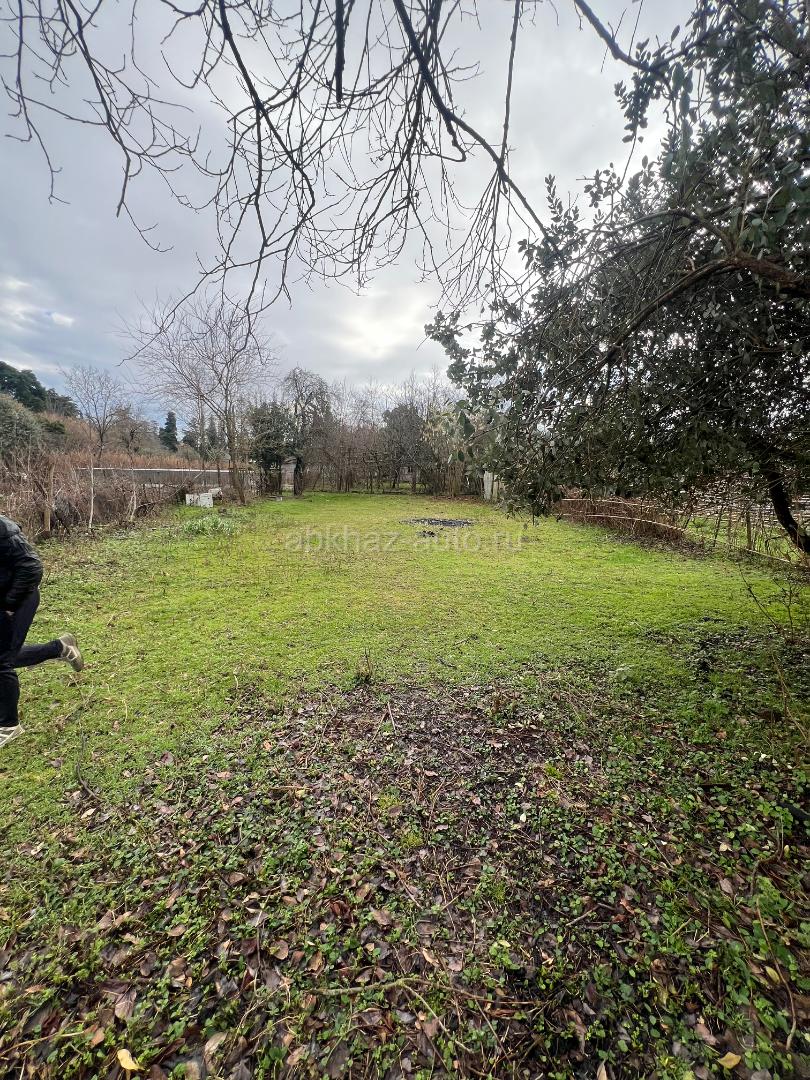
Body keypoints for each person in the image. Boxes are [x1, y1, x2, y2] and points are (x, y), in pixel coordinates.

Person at [0, 514, 83, 748]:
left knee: (2, 660)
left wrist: (9, 605)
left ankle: (9, 725)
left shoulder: (2, 529)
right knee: (7, 655)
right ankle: (60, 648)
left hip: (19, 597)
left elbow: (31, 567)